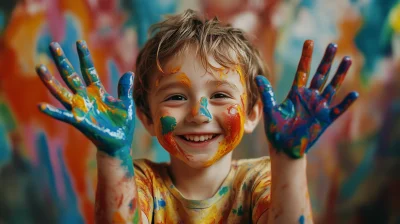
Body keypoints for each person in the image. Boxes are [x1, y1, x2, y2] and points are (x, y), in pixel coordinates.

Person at [35, 9, 358, 224]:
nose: (198, 114)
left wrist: (288, 159)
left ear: (253, 113)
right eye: (176, 97)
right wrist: (113, 155)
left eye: (219, 95)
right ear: (146, 117)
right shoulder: (140, 183)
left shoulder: (261, 179)